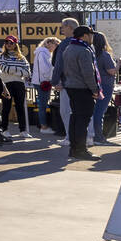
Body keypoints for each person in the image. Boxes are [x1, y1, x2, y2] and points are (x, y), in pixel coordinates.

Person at [62, 25, 102, 161]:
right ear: (84, 35)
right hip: (82, 88)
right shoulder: (84, 50)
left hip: (71, 87)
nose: (92, 37)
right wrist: (95, 89)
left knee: (75, 118)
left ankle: (74, 149)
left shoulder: (69, 48)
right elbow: (88, 74)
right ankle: (80, 150)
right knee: (82, 120)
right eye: (91, 34)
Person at [50, 17, 81, 147]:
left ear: (70, 27)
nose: (61, 28)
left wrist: (55, 81)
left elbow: (59, 64)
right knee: (81, 112)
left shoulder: (65, 44)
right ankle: (85, 137)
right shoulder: (84, 43)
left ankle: (69, 138)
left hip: (67, 83)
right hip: (82, 84)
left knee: (66, 111)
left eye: (63, 26)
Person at [0, 36, 32, 137]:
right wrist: (18, 70)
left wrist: (12, 69)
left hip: (19, 84)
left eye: (11, 43)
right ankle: (4, 129)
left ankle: (23, 131)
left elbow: (27, 72)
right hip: (6, 84)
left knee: (20, 107)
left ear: (15, 44)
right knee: (6, 107)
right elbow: (3, 68)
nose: (9, 44)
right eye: (7, 42)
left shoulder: (22, 57)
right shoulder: (1, 56)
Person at [91, 32, 118, 145]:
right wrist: (120, 64)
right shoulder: (104, 55)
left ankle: (94, 135)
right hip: (106, 85)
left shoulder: (91, 53)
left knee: (95, 111)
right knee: (100, 112)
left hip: (95, 84)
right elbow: (111, 71)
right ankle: (99, 137)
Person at [32, 37, 59, 134]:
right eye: (56, 45)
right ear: (48, 43)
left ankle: (43, 125)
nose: (56, 47)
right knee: (42, 105)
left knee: (42, 105)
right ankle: (43, 127)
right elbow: (45, 69)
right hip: (43, 83)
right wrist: (52, 79)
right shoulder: (43, 53)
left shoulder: (42, 52)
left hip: (41, 81)